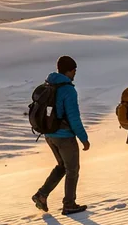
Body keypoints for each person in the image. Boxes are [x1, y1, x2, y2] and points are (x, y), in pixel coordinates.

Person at [32, 56, 90, 215]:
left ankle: (41, 195)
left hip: (49, 134)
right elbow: (73, 117)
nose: (75, 73)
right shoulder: (68, 90)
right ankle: (69, 204)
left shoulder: (49, 84)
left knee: (62, 166)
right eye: (74, 70)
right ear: (70, 70)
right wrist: (84, 139)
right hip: (64, 136)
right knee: (73, 169)